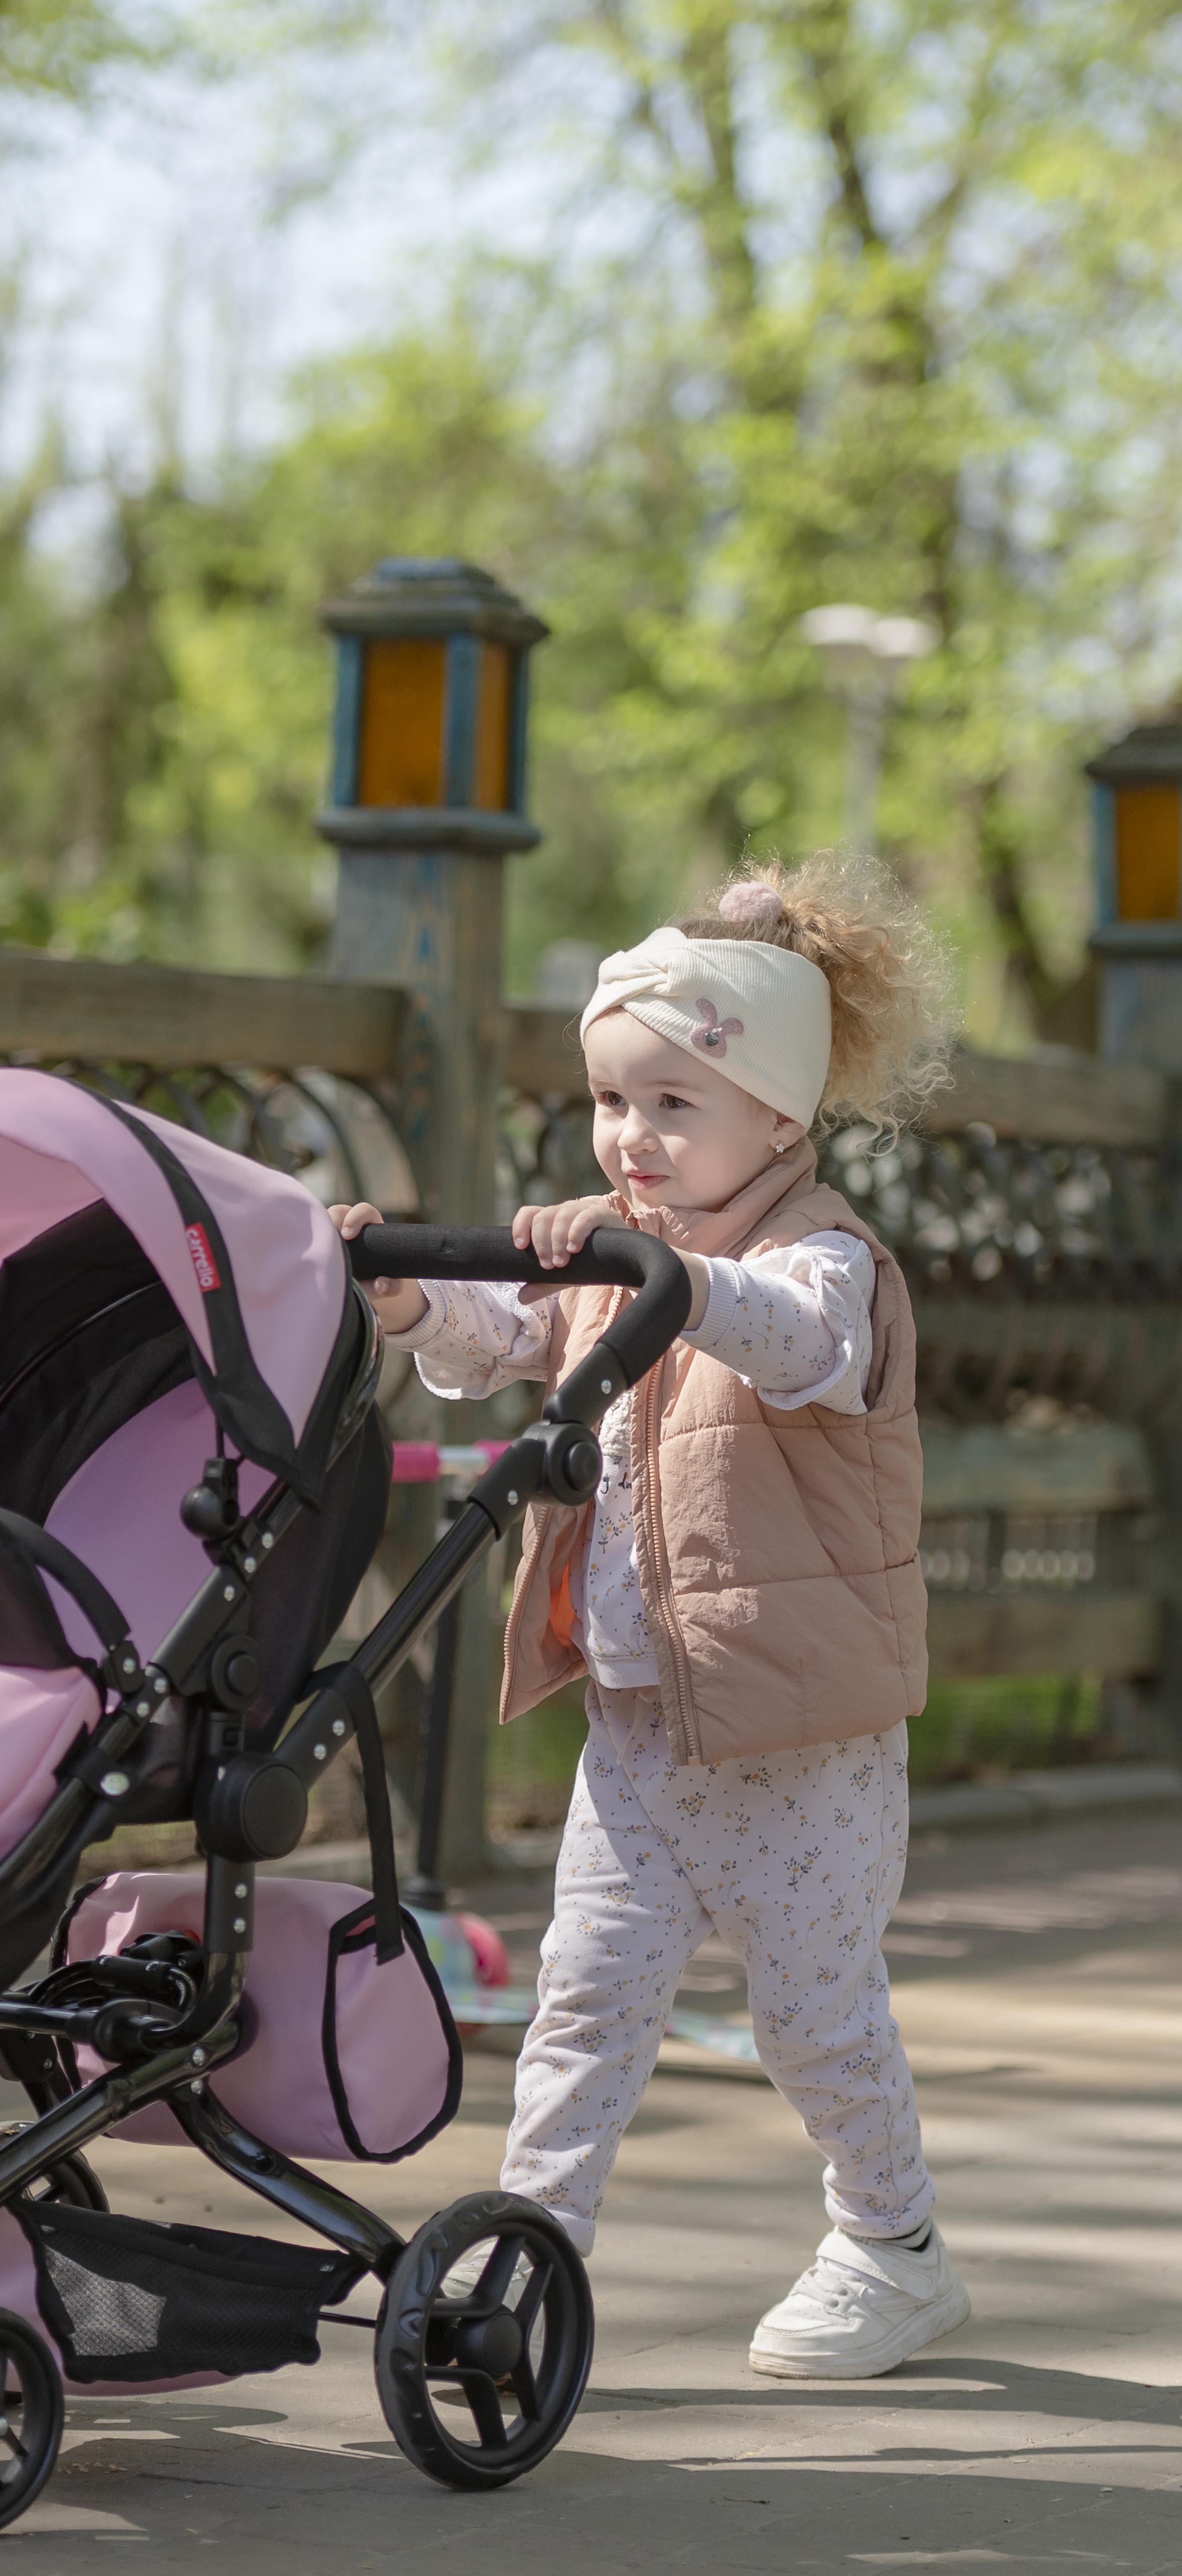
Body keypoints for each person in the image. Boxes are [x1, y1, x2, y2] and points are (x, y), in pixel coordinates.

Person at [334, 856, 969, 2378]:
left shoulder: (828, 1266)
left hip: (802, 1742)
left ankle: (894, 2245)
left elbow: (792, 1345)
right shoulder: (627, 1260)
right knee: (582, 2009)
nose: (629, 1138)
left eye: (672, 1107)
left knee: (816, 2022)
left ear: (781, 1121)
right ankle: (524, 2265)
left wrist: (662, 1268)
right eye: (613, 1104)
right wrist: (417, 1302)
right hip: (639, 1731)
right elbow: (502, 1346)